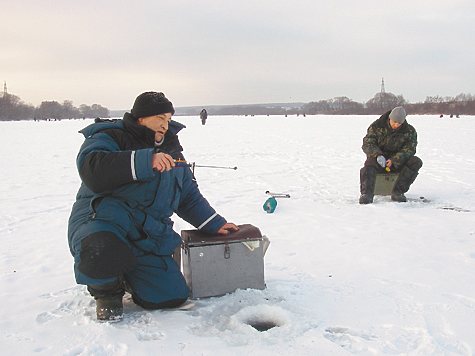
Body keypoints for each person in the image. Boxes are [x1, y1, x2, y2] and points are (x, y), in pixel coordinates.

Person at [68, 91, 238, 321]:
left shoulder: (171, 149)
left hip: (147, 236)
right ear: (140, 118)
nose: (165, 125)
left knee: (170, 297)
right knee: (101, 250)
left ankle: (129, 274)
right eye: (160, 118)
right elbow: (92, 170)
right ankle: (107, 292)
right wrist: (144, 160)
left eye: (168, 120)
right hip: (104, 223)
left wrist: (214, 223)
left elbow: (187, 195)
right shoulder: (109, 136)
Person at [359, 106, 422, 204]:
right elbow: (368, 144)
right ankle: (367, 194)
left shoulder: (409, 131)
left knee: (416, 162)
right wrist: (378, 155)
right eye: (394, 122)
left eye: (399, 123)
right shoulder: (376, 126)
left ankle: (398, 192)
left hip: (397, 162)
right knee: (369, 163)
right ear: (389, 118)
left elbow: (410, 148)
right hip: (378, 161)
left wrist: (395, 160)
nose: (396, 125)